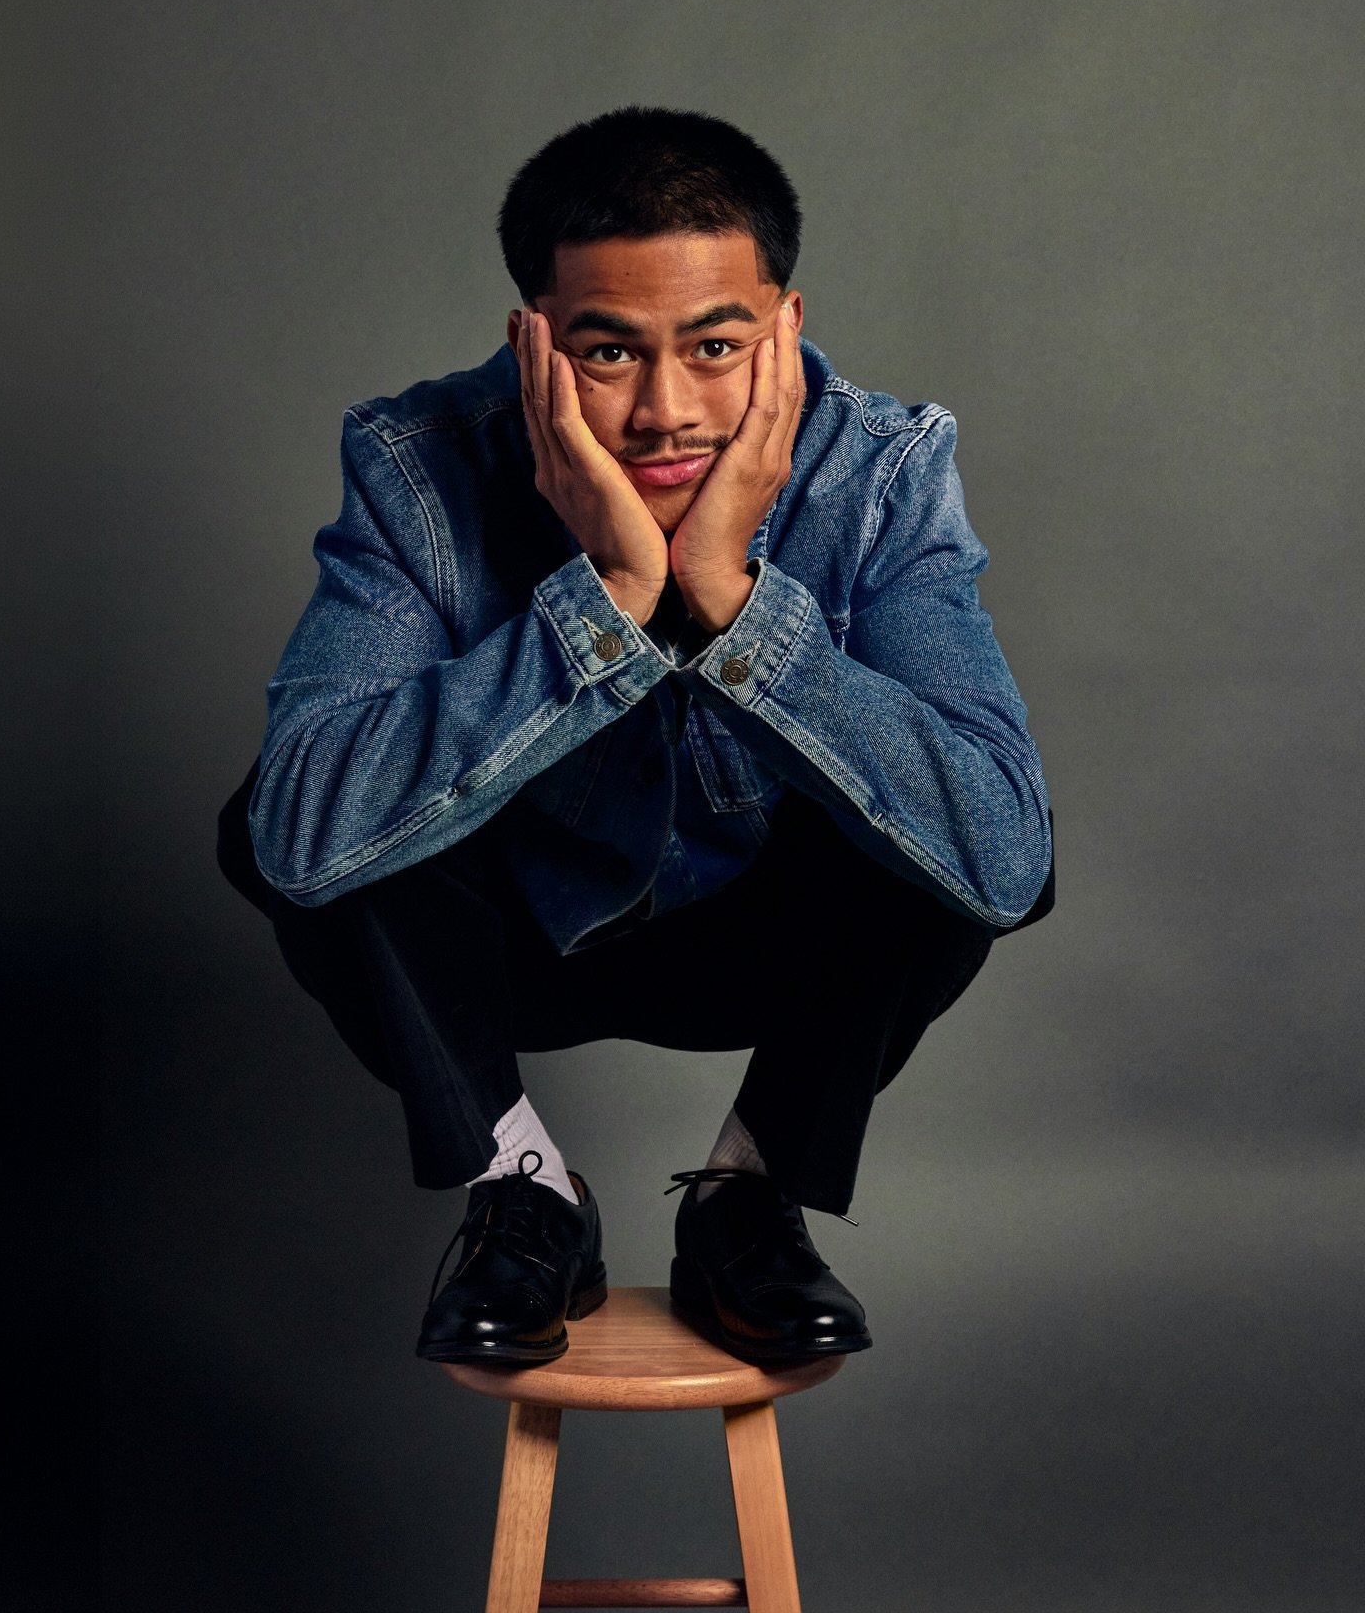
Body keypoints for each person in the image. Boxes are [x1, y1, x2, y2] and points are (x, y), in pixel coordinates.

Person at [216, 105, 1054, 1369]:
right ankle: (526, 1192)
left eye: (718, 346)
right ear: (533, 339)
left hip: (766, 943)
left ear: (786, 326)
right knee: (296, 817)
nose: (668, 411)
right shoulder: (420, 462)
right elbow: (297, 838)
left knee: (954, 817)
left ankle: (745, 1202)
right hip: (511, 948)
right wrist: (605, 598)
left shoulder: (880, 468)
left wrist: (735, 608)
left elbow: (1004, 860)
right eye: (609, 354)